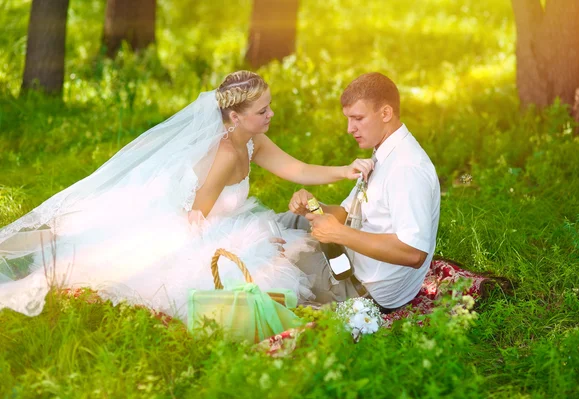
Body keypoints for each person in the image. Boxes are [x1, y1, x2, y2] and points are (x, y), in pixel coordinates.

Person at [0, 71, 374, 320]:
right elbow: (197, 217)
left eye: (268, 107)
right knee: (262, 274)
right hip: (196, 226)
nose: (270, 114)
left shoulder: (251, 138)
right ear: (235, 118)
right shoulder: (226, 155)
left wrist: (344, 170)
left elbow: (295, 168)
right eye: (263, 111)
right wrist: (253, 241)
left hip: (215, 219)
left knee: (281, 249)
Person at [280, 72, 441, 313]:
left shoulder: (407, 169)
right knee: (288, 220)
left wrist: (340, 234)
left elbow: (413, 252)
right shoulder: (385, 152)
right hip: (349, 261)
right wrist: (314, 207)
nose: (349, 129)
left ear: (385, 113)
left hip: (363, 291)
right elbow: (347, 214)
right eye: (348, 119)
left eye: (357, 118)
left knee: (272, 255)